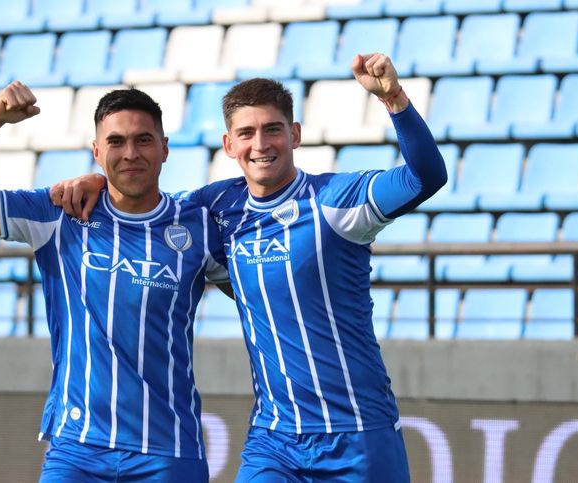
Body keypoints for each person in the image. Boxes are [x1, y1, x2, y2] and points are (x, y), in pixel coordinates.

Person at [50, 53, 447, 482]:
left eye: (272, 130)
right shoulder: (216, 206)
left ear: (294, 134)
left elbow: (424, 177)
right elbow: (145, 200)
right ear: (229, 145)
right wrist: (97, 182)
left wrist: (394, 100)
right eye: (247, 133)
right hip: (273, 439)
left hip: (358, 433)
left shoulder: (338, 201)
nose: (260, 144)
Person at [0, 82, 228, 482]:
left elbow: (263, 293)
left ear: (165, 148)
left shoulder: (198, 227)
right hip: (77, 450)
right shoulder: (59, 213)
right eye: (116, 141)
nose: (130, 153)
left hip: (169, 453)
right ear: (97, 151)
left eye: (143, 140)